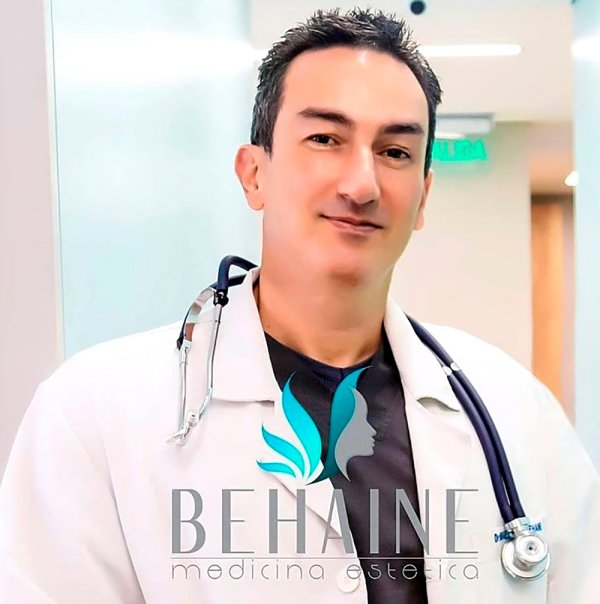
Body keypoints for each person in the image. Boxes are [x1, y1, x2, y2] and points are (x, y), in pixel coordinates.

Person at [1, 7, 599, 604]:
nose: (361, 184)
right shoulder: (95, 414)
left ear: (422, 197)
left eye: (395, 151)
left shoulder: (516, 411)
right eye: (325, 139)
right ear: (253, 174)